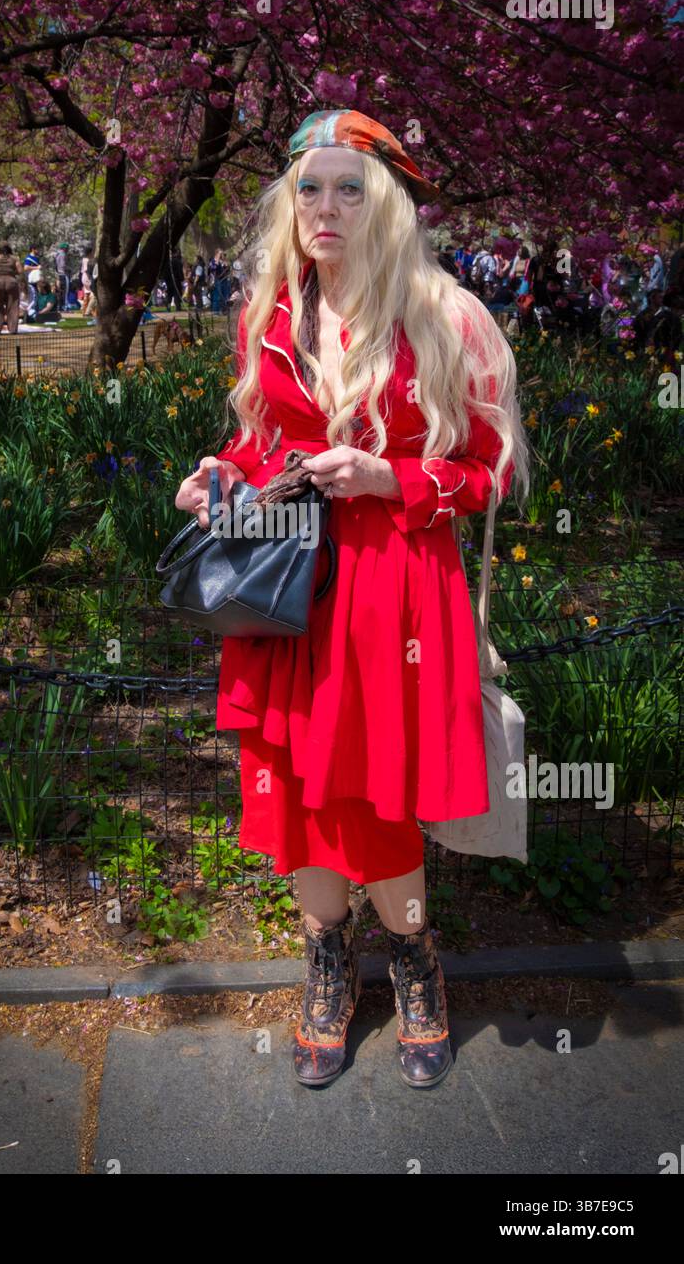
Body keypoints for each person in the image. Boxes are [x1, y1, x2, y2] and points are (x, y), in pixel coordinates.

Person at [174, 108, 528, 1091]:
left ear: (390, 205)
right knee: (295, 783)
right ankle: (328, 957)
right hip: (287, 578)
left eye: (350, 188)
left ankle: (413, 957)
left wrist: (393, 481)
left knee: (379, 787)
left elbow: (491, 475)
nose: (326, 207)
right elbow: (261, 447)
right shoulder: (272, 313)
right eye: (310, 188)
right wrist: (222, 480)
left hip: (398, 588)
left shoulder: (449, 315)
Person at [53, 243, 70, 310]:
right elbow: (63, 265)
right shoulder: (63, 254)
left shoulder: (56, 254)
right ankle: (64, 306)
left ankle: (58, 306)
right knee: (65, 291)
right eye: (67, 248)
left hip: (57, 274)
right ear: (64, 248)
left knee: (58, 291)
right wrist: (69, 269)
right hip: (63, 274)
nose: (68, 249)